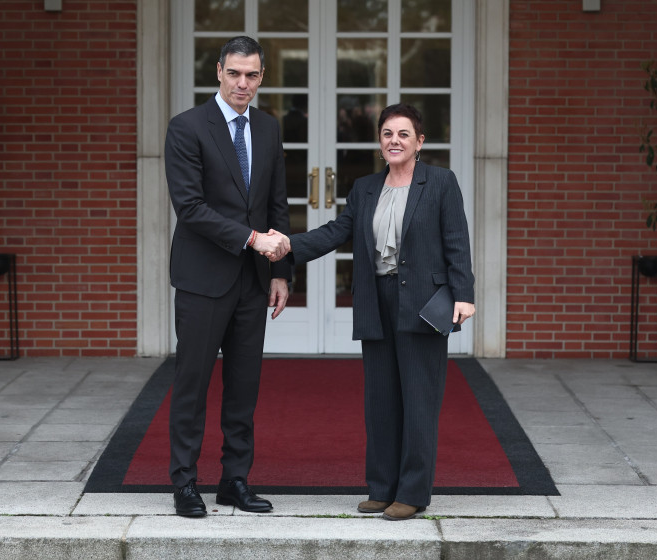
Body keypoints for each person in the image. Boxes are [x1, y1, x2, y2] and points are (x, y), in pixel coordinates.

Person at [266, 104, 475, 521]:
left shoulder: (441, 182)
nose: (393, 141)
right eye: (386, 134)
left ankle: (412, 492)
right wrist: (289, 245)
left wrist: (463, 295)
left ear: (420, 142)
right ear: (379, 142)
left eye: (403, 134)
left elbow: (456, 239)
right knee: (380, 401)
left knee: (418, 401)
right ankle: (382, 488)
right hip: (375, 301)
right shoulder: (364, 188)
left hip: (423, 303)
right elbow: (337, 232)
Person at [163, 35, 292, 518]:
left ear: (262, 76)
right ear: (218, 71)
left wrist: (279, 271)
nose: (243, 83)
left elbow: (276, 203)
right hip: (202, 279)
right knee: (192, 385)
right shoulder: (187, 128)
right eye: (235, 73)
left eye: (252, 74)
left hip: (253, 281)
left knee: (244, 387)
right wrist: (253, 239)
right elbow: (191, 208)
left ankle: (234, 480)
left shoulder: (269, 128)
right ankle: (185, 484)